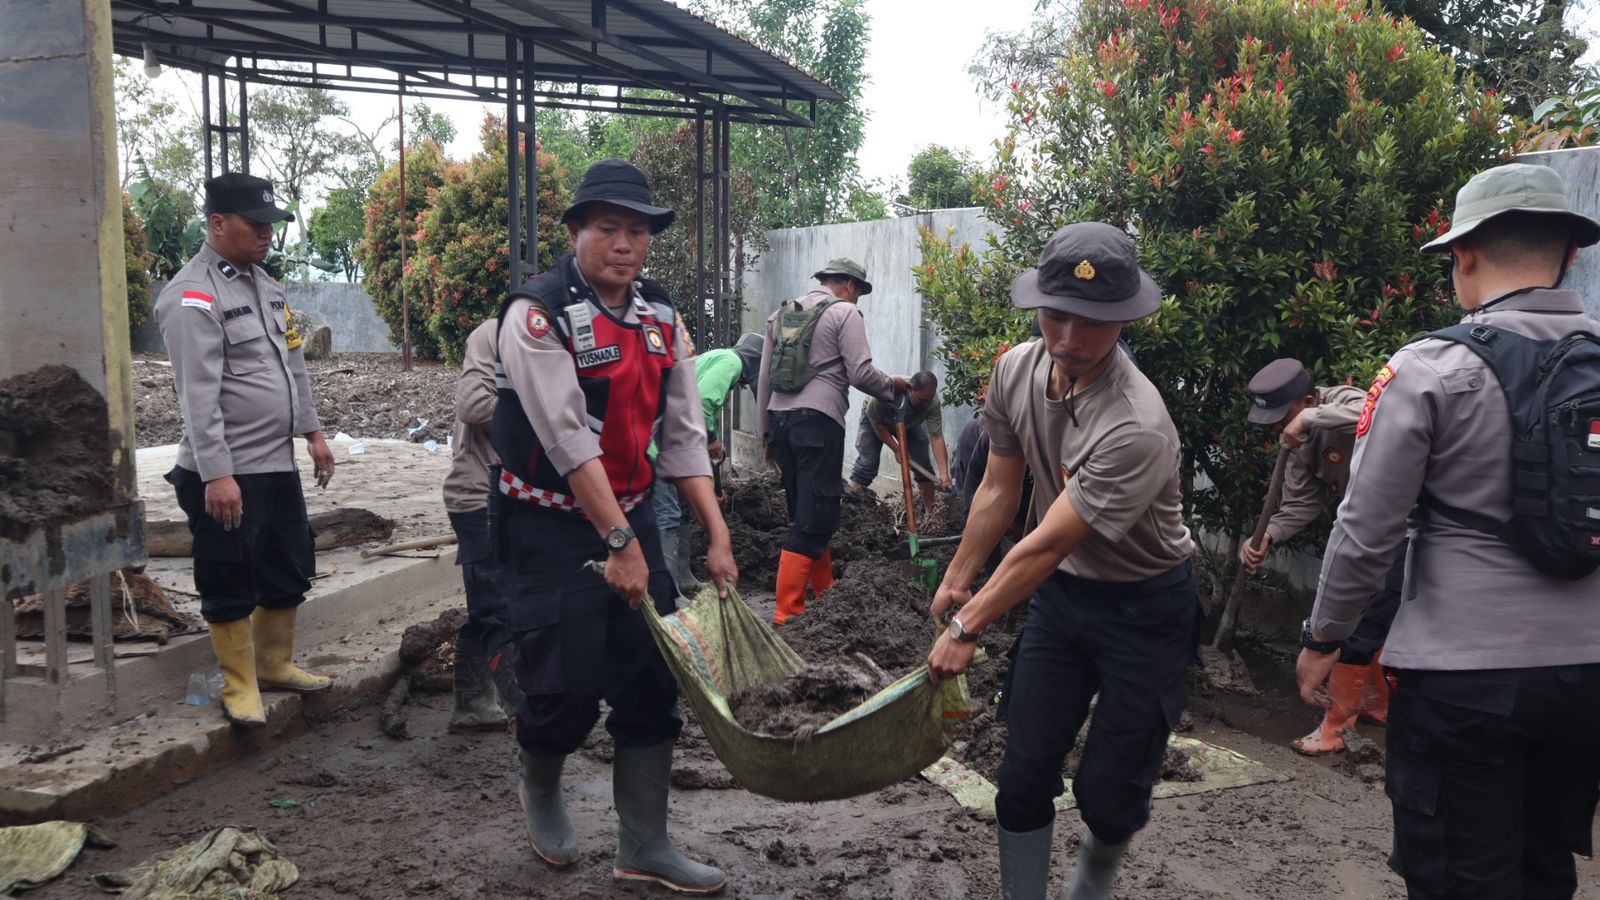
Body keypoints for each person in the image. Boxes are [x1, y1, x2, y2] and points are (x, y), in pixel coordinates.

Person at [1297, 163, 1600, 899]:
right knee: (1545, 868)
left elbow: (1367, 528)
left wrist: (1325, 639)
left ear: (1463, 256)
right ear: (1568, 254)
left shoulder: (1429, 369)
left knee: (1460, 879)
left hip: (1464, 681)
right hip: (1588, 680)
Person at [926, 223, 1198, 900]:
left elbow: (1047, 543)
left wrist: (969, 626)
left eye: (1094, 324)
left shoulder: (1136, 422)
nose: (1070, 340)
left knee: (1110, 796)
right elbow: (998, 486)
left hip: (1147, 608)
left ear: (1126, 318)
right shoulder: (1015, 369)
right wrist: (959, 577)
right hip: (1064, 603)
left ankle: (1089, 891)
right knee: (1021, 778)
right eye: (1055, 318)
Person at [491, 159, 737, 894]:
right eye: (608, 228)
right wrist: (619, 543)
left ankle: (645, 844)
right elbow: (568, 442)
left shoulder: (660, 316)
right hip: (548, 524)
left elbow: (685, 437)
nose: (625, 244)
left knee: (650, 673)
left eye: (638, 231)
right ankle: (540, 783)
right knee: (565, 681)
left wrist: (716, 535)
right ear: (575, 231)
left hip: (629, 511)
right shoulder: (536, 315)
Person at [154, 173, 334, 727]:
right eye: (255, 225)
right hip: (228, 471)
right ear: (217, 223)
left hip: (276, 464)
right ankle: (239, 684)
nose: (266, 235)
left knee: (288, 563)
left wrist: (314, 434)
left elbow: (293, 366)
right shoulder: (192, 297)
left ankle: (275, 664)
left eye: (270, 226)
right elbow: (197, 394)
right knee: (228, 571)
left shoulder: (268, 287)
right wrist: (217, 474)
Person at [1240, 358, 1395, 755]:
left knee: (1363, 621)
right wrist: (1268, 536)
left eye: (1283, 416)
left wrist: (1309, 419)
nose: (1279, 428)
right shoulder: (1298, 447)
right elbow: (1300, 504)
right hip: (1368, 530)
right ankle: (1377, 706)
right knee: (1375, 619)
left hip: (1408, 526)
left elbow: (1375, 409)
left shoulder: (1342, 401)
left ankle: (1335, 727)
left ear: (1309, 400)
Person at [756, 258, 907, 624]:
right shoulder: (845, 313)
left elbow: (763, 378)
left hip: (781, 423)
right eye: (858, 294)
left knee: (807, 512)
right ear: (850, 286)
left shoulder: (782, 314)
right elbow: (860, 373)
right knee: (815, 516)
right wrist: (892, 387)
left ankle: (827, 595)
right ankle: (786, 613)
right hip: (819, 424)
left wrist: (765, 434)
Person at [441, 318, 523, 732]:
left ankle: (473, 702)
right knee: (498, 607)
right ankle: (528, 712)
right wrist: (540, 417)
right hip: (481, 493)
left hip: (522, 496)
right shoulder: (495, 334)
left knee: (494, 605)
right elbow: (473, 406)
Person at [652, 331, 765, 599]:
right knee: (667, 515)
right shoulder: (731, 362)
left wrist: (712, 488)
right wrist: (712, 438)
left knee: (682, 512)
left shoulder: (718, 359)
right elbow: (701, 405)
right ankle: (664, 593)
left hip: (677, 446)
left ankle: (682, 578)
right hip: (661, 444)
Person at [846, 370, 951, 511]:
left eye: (929, 399)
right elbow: (877, 423)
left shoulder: (931, 401)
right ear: (910, 389)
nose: (926, 403)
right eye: (922, 400)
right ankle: (849, 510)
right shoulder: (888, 389)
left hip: (908, 423)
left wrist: (944, 474)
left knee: (923, 464)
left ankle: (931, 516)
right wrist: (897, 449)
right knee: (867, 465)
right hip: (875, 420)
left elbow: (936, 437)